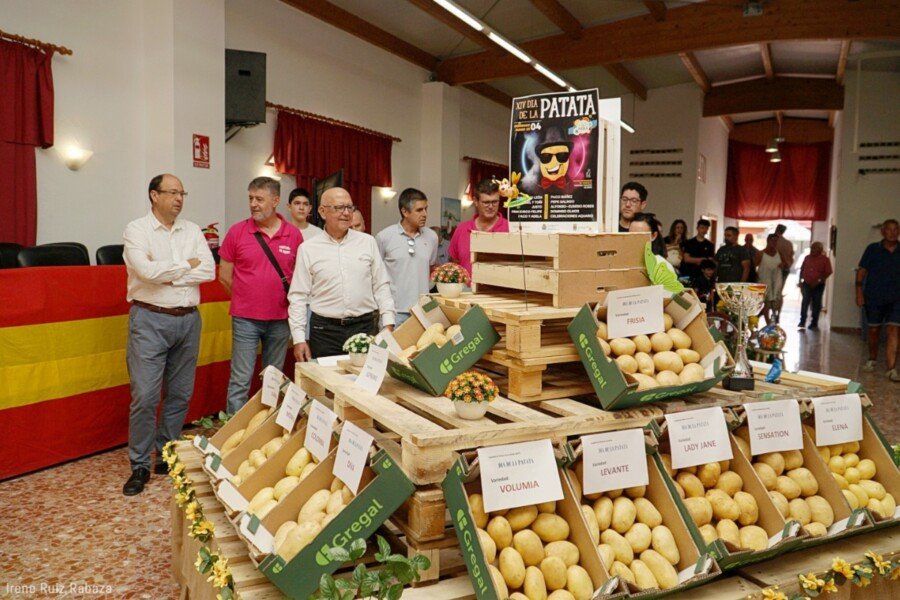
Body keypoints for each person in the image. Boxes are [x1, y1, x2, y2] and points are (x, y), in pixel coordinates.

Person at [121, 174, 215, 495]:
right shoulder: (137, 230)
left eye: (182, 192)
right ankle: (139, 464)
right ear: (153, 195)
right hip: (150, 319)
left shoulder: (191, 230)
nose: (179, 198)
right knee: (145, 396)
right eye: (172, 192)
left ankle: (165, 451)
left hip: (188, 320)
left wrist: (168, 274)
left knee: (179, 394)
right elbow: (146, 273)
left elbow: (209, 270)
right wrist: (185, 266)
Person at [218, 177, 303, 414]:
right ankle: (232, 433)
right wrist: (247, 297)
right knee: (240, 380)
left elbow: (300, 278)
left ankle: (266, 430)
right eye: (250, 198)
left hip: (280, 318)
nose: (253, 204)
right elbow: (224, 276)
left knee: (273, 378)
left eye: (259, 199)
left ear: (275, 201)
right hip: (245, 318)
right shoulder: (237, 232)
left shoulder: (294, 235)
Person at [288, 187, 395, 360]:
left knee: (364, 383)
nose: (346, 213)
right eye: (339, 208)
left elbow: (381, 285)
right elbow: (298, 296)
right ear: (322, 212)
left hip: (364, 327)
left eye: (349, 207)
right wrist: (299, 339)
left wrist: (388, 323)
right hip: (324, 332)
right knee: (326, 384)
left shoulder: (368, 242)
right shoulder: (308, 249)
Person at [376, 188, 438, 325]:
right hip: (394, 312)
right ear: (404, 212)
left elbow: (431, 268)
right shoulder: (384, 237)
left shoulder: (432, 237)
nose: (425, 214)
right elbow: (376, 274)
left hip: (423, 311)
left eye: (426, 209)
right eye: (419, 210)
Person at [857, 219, 900, 380]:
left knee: (893, 330)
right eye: (889, 229)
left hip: (896, 299)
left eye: (896, 229)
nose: (892, 233)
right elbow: (861, 272)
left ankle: (891, 368)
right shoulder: (873, 249)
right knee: (874, 330)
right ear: (883, 232)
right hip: (874, 297)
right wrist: (859, 293)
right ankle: (872, 358)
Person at [448, 178, 509, 276]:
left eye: (495, 202)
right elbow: (454, 264)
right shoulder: (461, 229)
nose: (490, 206)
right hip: (465, 290)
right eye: (486, 202)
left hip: (499, 290)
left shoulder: (510, 229)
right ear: (476, 202)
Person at [798, 241, 833, 331]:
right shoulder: (807, 258)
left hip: (818, 285)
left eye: (814, 248)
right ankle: (802, 321)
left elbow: (828, 272)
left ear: (820, 250)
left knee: (816, 303)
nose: (812, 250)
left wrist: (818, 281)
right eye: (812, 248)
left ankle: (814, 323)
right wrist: (800, 281)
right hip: (806, 283)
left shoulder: (825, 260)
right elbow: (802, 269)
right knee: (805, 302)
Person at [755, 234, 787, 325]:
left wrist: (783, 265)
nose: (775, 243)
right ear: (768, 241)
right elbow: (754, 266)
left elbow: (785, 264)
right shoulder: (761, 253)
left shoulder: (779, 253)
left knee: (775, 302)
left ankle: (773, 319)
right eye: (773, 241)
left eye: (776, 241)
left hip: (776, 281)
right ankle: (768, 322)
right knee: (766, 303)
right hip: (764, 281)